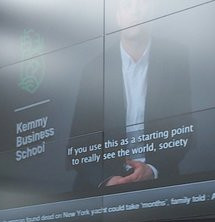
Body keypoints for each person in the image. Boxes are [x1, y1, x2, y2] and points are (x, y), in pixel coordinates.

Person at [69, 0, 191, 191]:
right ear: (117, 16)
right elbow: (78, 144)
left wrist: (152, 169)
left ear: (152, 10)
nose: (135, 12)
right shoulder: (94, 69)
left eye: (141, 3)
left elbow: (185, 127)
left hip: (160, 181)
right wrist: (107, 180)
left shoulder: (176, 58)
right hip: (107, 187)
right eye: (127, 5)